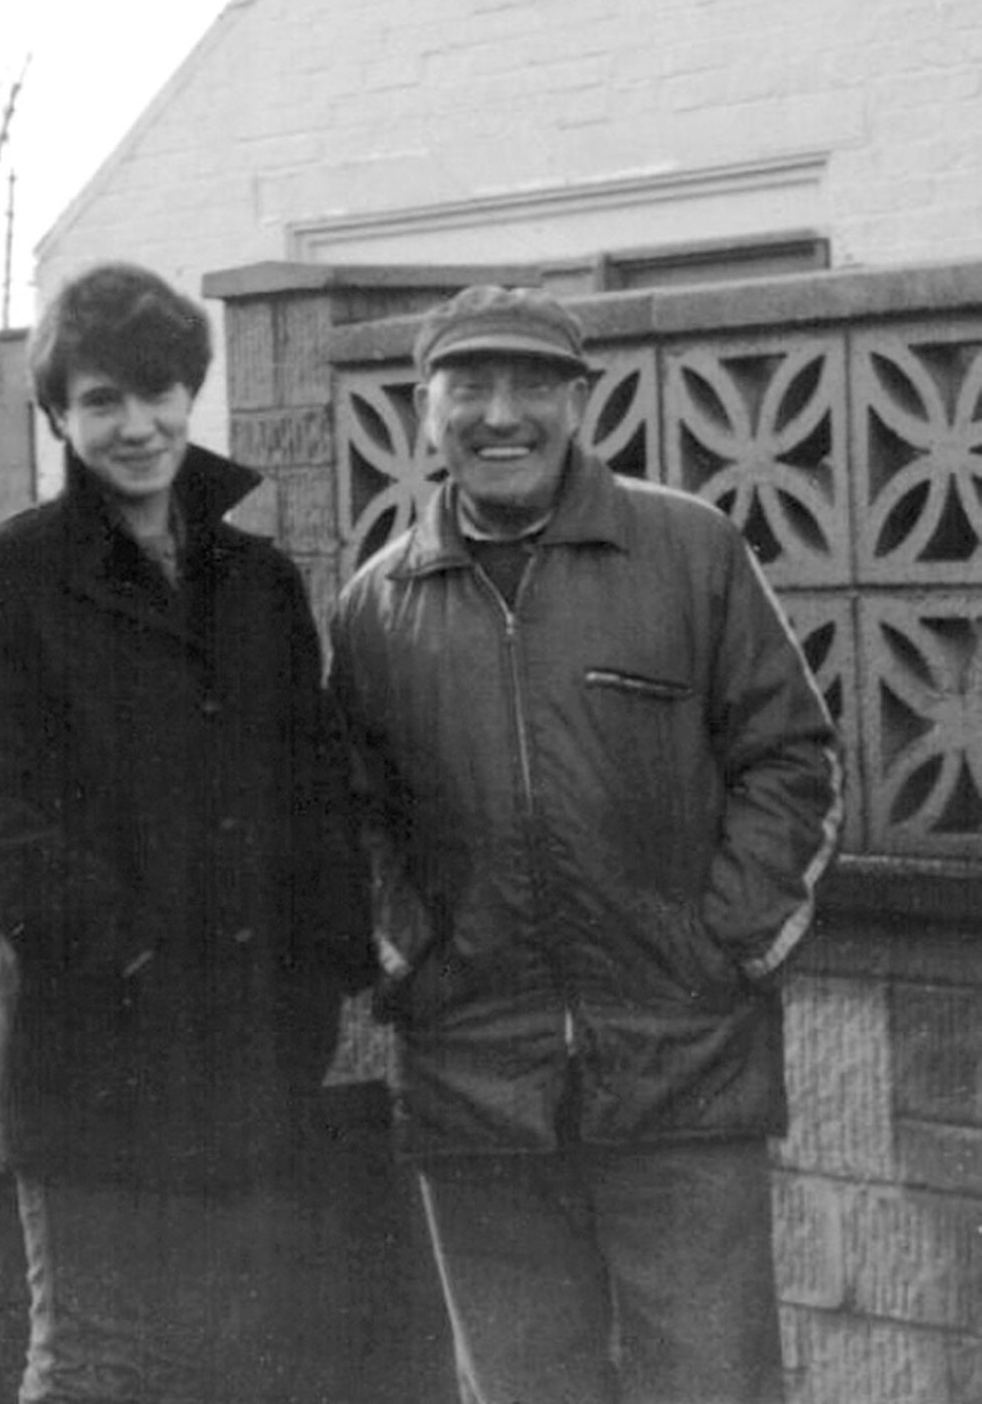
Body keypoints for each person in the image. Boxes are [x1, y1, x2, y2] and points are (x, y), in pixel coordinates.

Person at [329, 283, 843, 1404]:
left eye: (532, 384)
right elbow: (344, 813)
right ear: (426, 408)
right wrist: (410, 954)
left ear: (578, 401)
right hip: (475, 1082)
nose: (500, 413)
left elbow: (793, 758)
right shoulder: (376, 603)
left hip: (681, 1069)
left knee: (713, 1385)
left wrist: (724, 946)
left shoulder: (690, 549)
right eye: (470, 385)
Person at [0, 262, 372, 1404]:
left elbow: (315, 784)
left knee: (224, 1353)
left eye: (160, 392)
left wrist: (321, 969)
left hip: (249, 1043)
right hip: (94, 1049)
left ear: (193, 393)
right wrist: (128, 949)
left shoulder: (256, 578)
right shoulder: (5, 580)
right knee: (97, 1361)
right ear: (60, 414)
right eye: (104, 400)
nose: (138, 424)